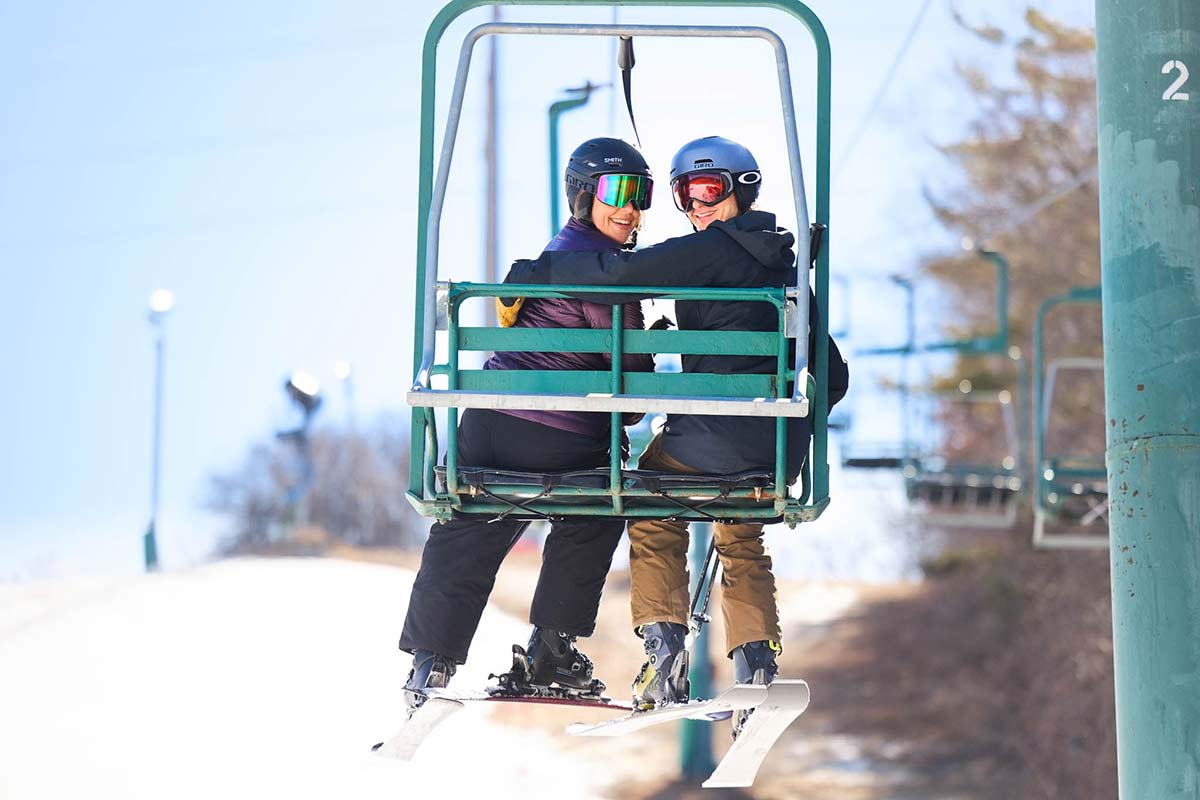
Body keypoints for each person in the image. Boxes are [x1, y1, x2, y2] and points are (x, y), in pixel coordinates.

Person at [504, 136, 849, 733]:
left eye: (710, 191)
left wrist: (541, 272)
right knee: (741, 541)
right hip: (770, 455)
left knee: (651, 508)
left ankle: (664, 661)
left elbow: (623, 273)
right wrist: (787, 429)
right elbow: (835, 375)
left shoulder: (711, 249)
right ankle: (756, 674)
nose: (698, 207)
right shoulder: (786, 265)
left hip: (707, 448)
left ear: (742, 190)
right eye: (685, 195)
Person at [397, 138, 656, 710]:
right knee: (598, 505)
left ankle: (431, 659)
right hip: (561, 440)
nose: (631, 208)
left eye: (642, 194)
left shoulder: (556, 254)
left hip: (487, 426)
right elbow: (633, 392)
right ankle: (551, 647)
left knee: (470, 520)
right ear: (584, 196)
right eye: (619, 192)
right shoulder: (608, 271)